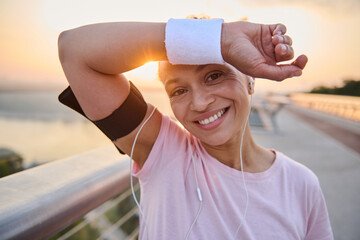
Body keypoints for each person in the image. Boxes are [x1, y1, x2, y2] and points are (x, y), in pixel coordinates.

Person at [58, 18, 333, 239]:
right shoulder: (162, 151)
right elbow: (74, 49)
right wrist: (219, 38)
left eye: (214, 76)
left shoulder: (301, 184)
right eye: (178, 90)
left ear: (250, 80)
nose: (200, 103)